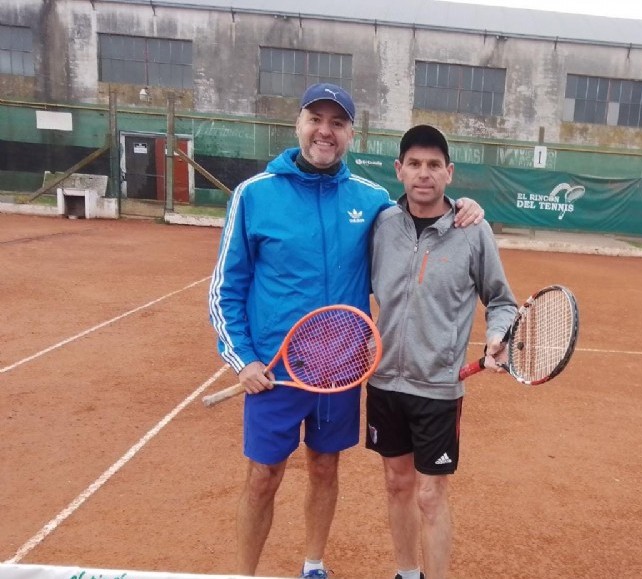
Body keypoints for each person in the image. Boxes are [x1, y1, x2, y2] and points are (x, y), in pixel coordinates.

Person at [208, 84, 485, 579]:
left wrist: (465, 206)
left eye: (337, 123)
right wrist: (243, 359)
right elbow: (227, 288)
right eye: (317, 118)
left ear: (350, 134)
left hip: (340, 371)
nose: (325, 131)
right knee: (262, 477)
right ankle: (241, 575)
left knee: (324, 467)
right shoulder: (254, 194)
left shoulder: (373, 201)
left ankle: (313, 564)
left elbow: (421, 218)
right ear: (299, 124)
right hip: (274, 370)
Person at [366, 125, 518, 579]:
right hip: (384, 382)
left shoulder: (473, 230)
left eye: (434, 165)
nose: (423, 174)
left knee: (431, 496)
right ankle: (406, 573)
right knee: (396, 484)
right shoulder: (381, 224)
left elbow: (503, 299)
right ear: (399, 170)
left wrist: (498, 335)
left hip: (438, 388)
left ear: (449, 173)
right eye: (414, 164)